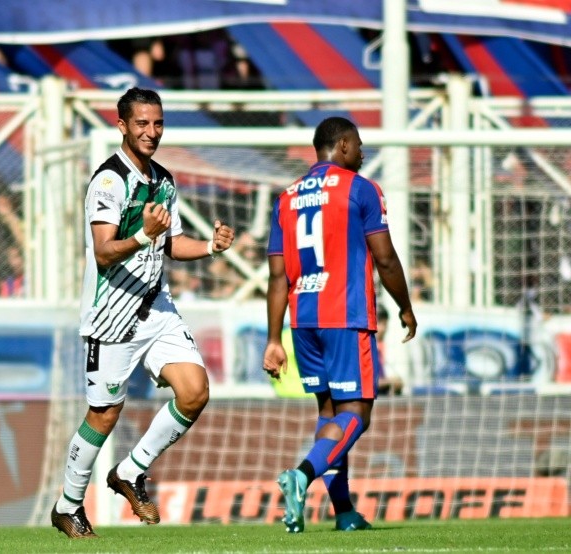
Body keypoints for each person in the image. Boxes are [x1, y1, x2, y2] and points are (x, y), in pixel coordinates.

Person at [50, 87, 235, 539]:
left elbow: (169, 243)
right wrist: (143, 235)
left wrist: (210, 247)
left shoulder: (164, 181)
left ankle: (131, 472)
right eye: (142, 124)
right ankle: (67, 506)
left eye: (157, 123)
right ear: (123, 126)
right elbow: (104, 251)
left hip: (155, 306)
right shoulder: (108, 181)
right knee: (105, 414)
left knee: (194, 391)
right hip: (111, 314)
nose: (151, 132)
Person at [262, 117, 417, 534]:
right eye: (360, 146)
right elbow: (384, 257)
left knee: (330, 413)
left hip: (303, 320)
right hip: (345, 314)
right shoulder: (361, 189)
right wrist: (404, 306)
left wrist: (273, 339)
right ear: (344, 145)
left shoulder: (287, 197)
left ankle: (344, 511)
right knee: (357, 414)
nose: (363, 154)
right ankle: (301, 475)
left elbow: (278, 278)